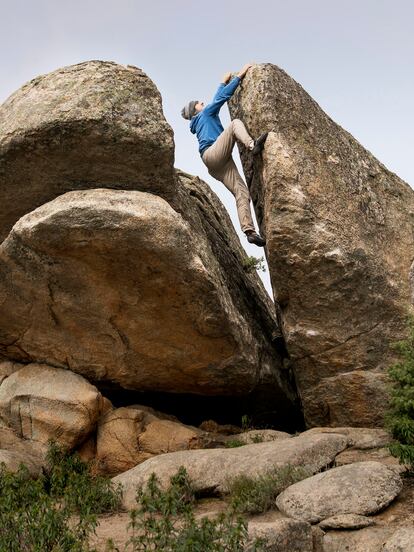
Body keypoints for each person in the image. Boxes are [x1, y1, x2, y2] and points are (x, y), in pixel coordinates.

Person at [181, 63, 268, 247]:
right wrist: (239, 76)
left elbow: (216, 98)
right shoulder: (204, 114)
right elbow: (220, 98)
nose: (201, 103)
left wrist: (222, 82)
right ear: (195, 110)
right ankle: (253, 145)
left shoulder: (202, 118)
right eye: (198, 103)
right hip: (214, 153)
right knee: (235, 123)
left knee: (241, 191)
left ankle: (249, 231)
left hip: (215, 164)